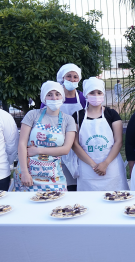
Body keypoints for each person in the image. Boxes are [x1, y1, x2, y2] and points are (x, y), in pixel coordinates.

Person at [12, 81, 77, 191]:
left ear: (62, 96)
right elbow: (22, 144)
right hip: (29, 176)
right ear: (44, 98)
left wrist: (38, 150)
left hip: (54, 176)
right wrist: (24, 172)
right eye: (49, 94)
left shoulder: (68, 120)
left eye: (57, 94)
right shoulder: (33, 115)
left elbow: (65, 149)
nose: (54, 98)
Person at [71, 77, 128, 191]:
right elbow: (75, 144)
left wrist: (105, 163)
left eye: (99, 92)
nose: (96, 95)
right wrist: (93, 165)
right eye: (92, 92)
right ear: (86, 95)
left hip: (111, 167)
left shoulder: (112, 114)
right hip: (88, 168)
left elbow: (118, 141)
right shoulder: (77, 116)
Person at [43, 63, 87, 191]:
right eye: (68, 76)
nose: (72, 80)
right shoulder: (53, 97)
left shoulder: (82, 98)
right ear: (62, 78)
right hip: (55, 145)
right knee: (60, 184)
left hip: (78, 145)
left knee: (77, 185)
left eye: (75, 77)